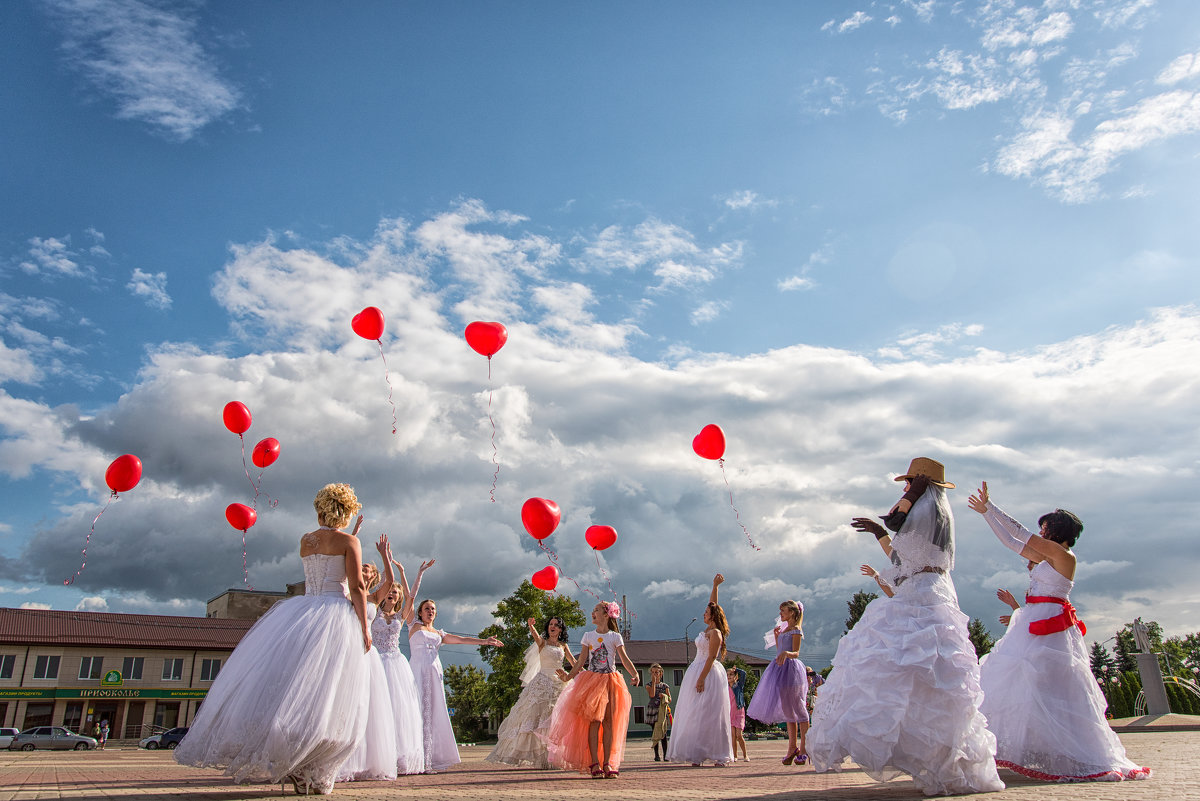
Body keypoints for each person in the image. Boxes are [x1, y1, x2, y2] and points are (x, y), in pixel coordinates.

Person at [807, 458, 1004, 796]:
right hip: (933, 588)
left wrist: (909, 498)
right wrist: (881, 533)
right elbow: (900, 554)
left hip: (921, 593)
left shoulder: (921, 508)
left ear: (920, 483)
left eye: (909, 481)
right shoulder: (937, 519)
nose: (904, 487)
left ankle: (937, 759)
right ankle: (937, 760)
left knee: (909, 667)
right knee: (930, 676)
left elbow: (896, 522)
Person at [175, 483, 373, 795]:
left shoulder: (306, 541)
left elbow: (317, 575)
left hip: (305, 609)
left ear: (320, 508)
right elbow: (358, 587)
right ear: (347, 512)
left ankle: (300, 763)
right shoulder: (350, 540)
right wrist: (364, 627)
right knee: (330, 693)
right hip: (336, 613)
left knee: (295, 686)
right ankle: (314, 768)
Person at [970, 482, 1150, 782]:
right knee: (1026, 682)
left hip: (1050, 622)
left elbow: (1018, 531)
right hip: (1034, 618)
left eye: (1045, 528)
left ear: (1056, 530)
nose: (1040, 532)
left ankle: (1080, 755)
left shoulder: (1062, 556)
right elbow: (1011, 542)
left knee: (1053, 685)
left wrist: (992, 507)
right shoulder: (1048, 554)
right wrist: (986, 515)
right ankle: (1040, 748)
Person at [406, 583, 503, 773]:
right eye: (427, 609)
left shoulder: (439, 634)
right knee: (416, 710)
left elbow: (461, 640)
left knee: (433, 712)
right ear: (419, 612)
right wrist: (417, 575)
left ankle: (431, 758)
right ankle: (414, 757)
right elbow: (409, 597)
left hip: (434, 673)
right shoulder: (413, 625)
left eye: (433, 609)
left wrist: (485, 641)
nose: (430, 611)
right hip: (417, 671)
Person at [546, 600, 640, 778]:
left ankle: (608, 763)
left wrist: (635, 674)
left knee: (609, 723)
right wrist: (568, 676)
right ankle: (594, 762)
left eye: (596, 610)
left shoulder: (615, 637)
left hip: (611, 681)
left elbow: (624, 658)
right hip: (592, 681)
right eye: (593, 610)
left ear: (606, 615)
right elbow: (581, 661)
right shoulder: (588, 636)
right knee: (594, 722)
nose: (592, 613)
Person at [336, 534, 401, 783]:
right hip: (345, 648)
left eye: (367, 570)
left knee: (367, 705)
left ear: (373, 577)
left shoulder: (373, 598)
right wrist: (352, 533)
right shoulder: (345, 592)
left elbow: (391, 580)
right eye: (361, 567)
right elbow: (341, 560)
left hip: (366, 652)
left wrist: (385, 555)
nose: (364, 571)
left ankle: (364, 760)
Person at [485, 616, 576, 768]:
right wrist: (530, 626)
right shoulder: (543, 643)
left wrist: (583, 672)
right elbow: (535, 636)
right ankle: (541, 757)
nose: (552, 627)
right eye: (550, 624)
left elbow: (574, 662)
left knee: (556, 719)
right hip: (542, 682)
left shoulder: (563, 645)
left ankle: (554, 756)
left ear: (560, 629)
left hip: (560, 682)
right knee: (537, 719)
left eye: (556, 625)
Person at [371, 560, 431, 775]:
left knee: (397, 710)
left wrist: (407, 572)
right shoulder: (372, 613)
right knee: (375, 709)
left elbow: (412, 595)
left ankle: (396, 756)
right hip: (375, 662)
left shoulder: (401, 616)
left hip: (395, 664)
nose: (393, 594)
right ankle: (374, 755)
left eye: (396, 593)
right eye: (390, 591)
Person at [667, 574, 734, 767]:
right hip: (696, 669)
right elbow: (713, 603)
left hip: (708, 672)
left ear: (713, 616)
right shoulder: (707, 630)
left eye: (706, 612)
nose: (704, 613)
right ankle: (696, 752)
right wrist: (715, 586)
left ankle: (718, 753)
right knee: (695, 712)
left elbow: (712, 657)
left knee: (710, 712)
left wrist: (702, 678)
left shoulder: (715, 633)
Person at [745, 600, 809, 766]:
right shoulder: (784, 629)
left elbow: (796, 652)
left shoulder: (796, 630)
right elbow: (779, 650)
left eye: (783, 611)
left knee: (799, 709)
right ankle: (791, 747)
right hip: (779, 670)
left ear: (792, 613)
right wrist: (776, 637)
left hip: (792, 671)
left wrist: (787, 652)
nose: (780, 614)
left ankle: (804, 748)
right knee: (788, 710)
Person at [645, 664, 671, 761]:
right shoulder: (649, 685)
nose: (655, 674)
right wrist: (654, 682)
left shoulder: (665, 686)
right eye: (653, 672)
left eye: (657, 672)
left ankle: (665, 755)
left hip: (662, 711)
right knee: (655, 732)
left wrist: (664, 696)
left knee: (663, 733)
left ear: (661, 673)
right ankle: (656, 755)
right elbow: (652, 695)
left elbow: (670, 698)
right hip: (653, 710)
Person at [727, 666, 748, 762]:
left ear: (736, 677)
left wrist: (736, 670)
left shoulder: (739, 686)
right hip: (730, 714)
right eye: (727, 675)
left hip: (739, 713)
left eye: (731, 674)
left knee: (739, 735)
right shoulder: (725, 688)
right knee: (733, 736)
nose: (729, 676)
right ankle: (735, 756)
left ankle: (745, 755)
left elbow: (743, 673)